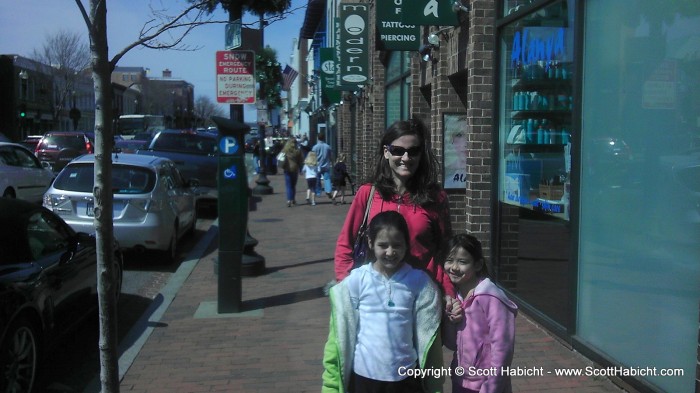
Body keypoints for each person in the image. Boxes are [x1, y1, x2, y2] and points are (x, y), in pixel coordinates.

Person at [334, 117, 456, 299]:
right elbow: (345, 244)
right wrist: (347, 287)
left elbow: (444, 251)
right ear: (386, 152)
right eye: (398, 151)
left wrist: (448, 293)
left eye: (413, 151)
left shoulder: (435, 197)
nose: (406, 158)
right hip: (375, 295)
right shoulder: (367, 194)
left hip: (422, 296)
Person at [322, 211, 444, 393]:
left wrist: (435, 386)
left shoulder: (418, 282)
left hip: (406, 378)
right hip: (364, 378)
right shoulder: (357, 281)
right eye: (383, 245)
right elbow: (337, 336)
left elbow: (430, 339)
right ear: (370, 243)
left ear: (406, 244)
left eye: (397, 245)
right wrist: (330, 387)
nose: (390, 252)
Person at [441, 234, 518, 393]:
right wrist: (451, 321)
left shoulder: (491, 297)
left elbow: (503, 349)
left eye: (462, 261)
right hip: (461, 381)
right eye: (450, 260)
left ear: (477, 265)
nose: (454, 267)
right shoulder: (458, 296)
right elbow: (450, 344)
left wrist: (491, 387)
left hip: (486, 385)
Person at [280, 138, 304, 207]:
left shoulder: (285, 150)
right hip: (295, 169)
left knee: (288, 185)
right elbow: (300, 161)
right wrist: (300, 169)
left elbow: (280, 157)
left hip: (287, 168)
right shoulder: (298, 150)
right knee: (293, 185)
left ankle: (288, 200)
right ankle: (293, 199)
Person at [312, 132, 333, 197]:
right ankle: (328, 190)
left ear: (318, 138)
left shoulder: (315, 147)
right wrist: (332, 162)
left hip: (317, 166)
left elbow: (312, 157)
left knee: (317, 179)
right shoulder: (327, 146)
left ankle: (318, 192)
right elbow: (330, 156)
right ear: (324, 138)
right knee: (327, 178)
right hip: (326, 165)